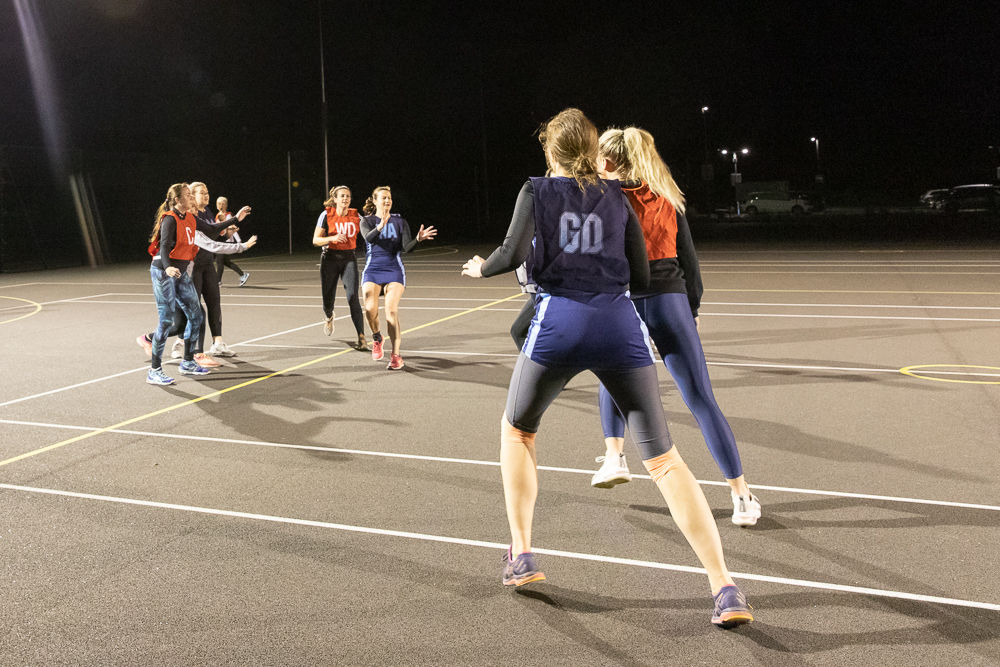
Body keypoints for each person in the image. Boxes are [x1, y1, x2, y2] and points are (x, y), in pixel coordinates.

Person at [461, 108, 752, 628]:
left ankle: (522, 553)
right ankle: (724, 587)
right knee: (665, 461)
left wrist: (480, 268)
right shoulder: (619, 196)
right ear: (594, 151)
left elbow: (509, 253)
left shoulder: (537, 190)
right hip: (619, 326)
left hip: (559, 323)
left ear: (550, 151)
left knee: (518, 431)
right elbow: (641, 275)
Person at [590, 127, 761, 527]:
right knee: (701, 399)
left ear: (608, 161)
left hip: (624, 300)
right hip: (670, 300)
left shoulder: (601, 200)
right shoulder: (666, 195)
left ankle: (614, 456)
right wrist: (692, 307)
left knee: (610, 376)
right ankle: (741, 495)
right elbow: (689, 260)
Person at [142, 183, 254, 385]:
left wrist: (236, 218)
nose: (191, 198)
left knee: (196, 315)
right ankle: (154, 370)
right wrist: (168, 267)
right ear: (178, 200)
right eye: (188, 195)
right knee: (166, 321)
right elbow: (164, 246)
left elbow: (212, 229)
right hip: (163, 271)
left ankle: (188, 362)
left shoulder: (191, 218)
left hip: (181, 271)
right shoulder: (170, 219)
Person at [359, 186, 437, 370]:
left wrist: (418, 239)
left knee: (391, 311)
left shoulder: (400, 221)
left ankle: (396, 356)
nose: (387, 201)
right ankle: (377, 337)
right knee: (370, 309)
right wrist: (380, 226)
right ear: (375, 201)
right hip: (373, 269)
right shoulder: (367, 221)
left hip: (393, 269)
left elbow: (407, 248)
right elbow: (368, 238)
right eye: (383, 198)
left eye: (389, 198)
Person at [313, 185, 368, 351]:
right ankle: (329, 316)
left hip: (348, 259)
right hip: (329, 258)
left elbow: (370, 233)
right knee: (328, 299)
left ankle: (361, 337)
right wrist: (332, 238)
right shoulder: (326, 215)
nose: (345, 199)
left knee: (353, 297)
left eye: (348, 196)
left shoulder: (356, 216)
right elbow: (316, 240)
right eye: (342, 196)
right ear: (335, 199)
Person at [215, 196, 249, 287]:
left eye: (223, 204)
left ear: (226, 205)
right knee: (226, 262)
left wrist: (239, 241)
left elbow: (233, 228)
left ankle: (218, 281)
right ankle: (243, 275)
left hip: (226, 241)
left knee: (219, 261)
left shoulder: (228, 215)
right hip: (221, 240)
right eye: (219, 204)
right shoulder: (218, 215)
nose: (221, 205)